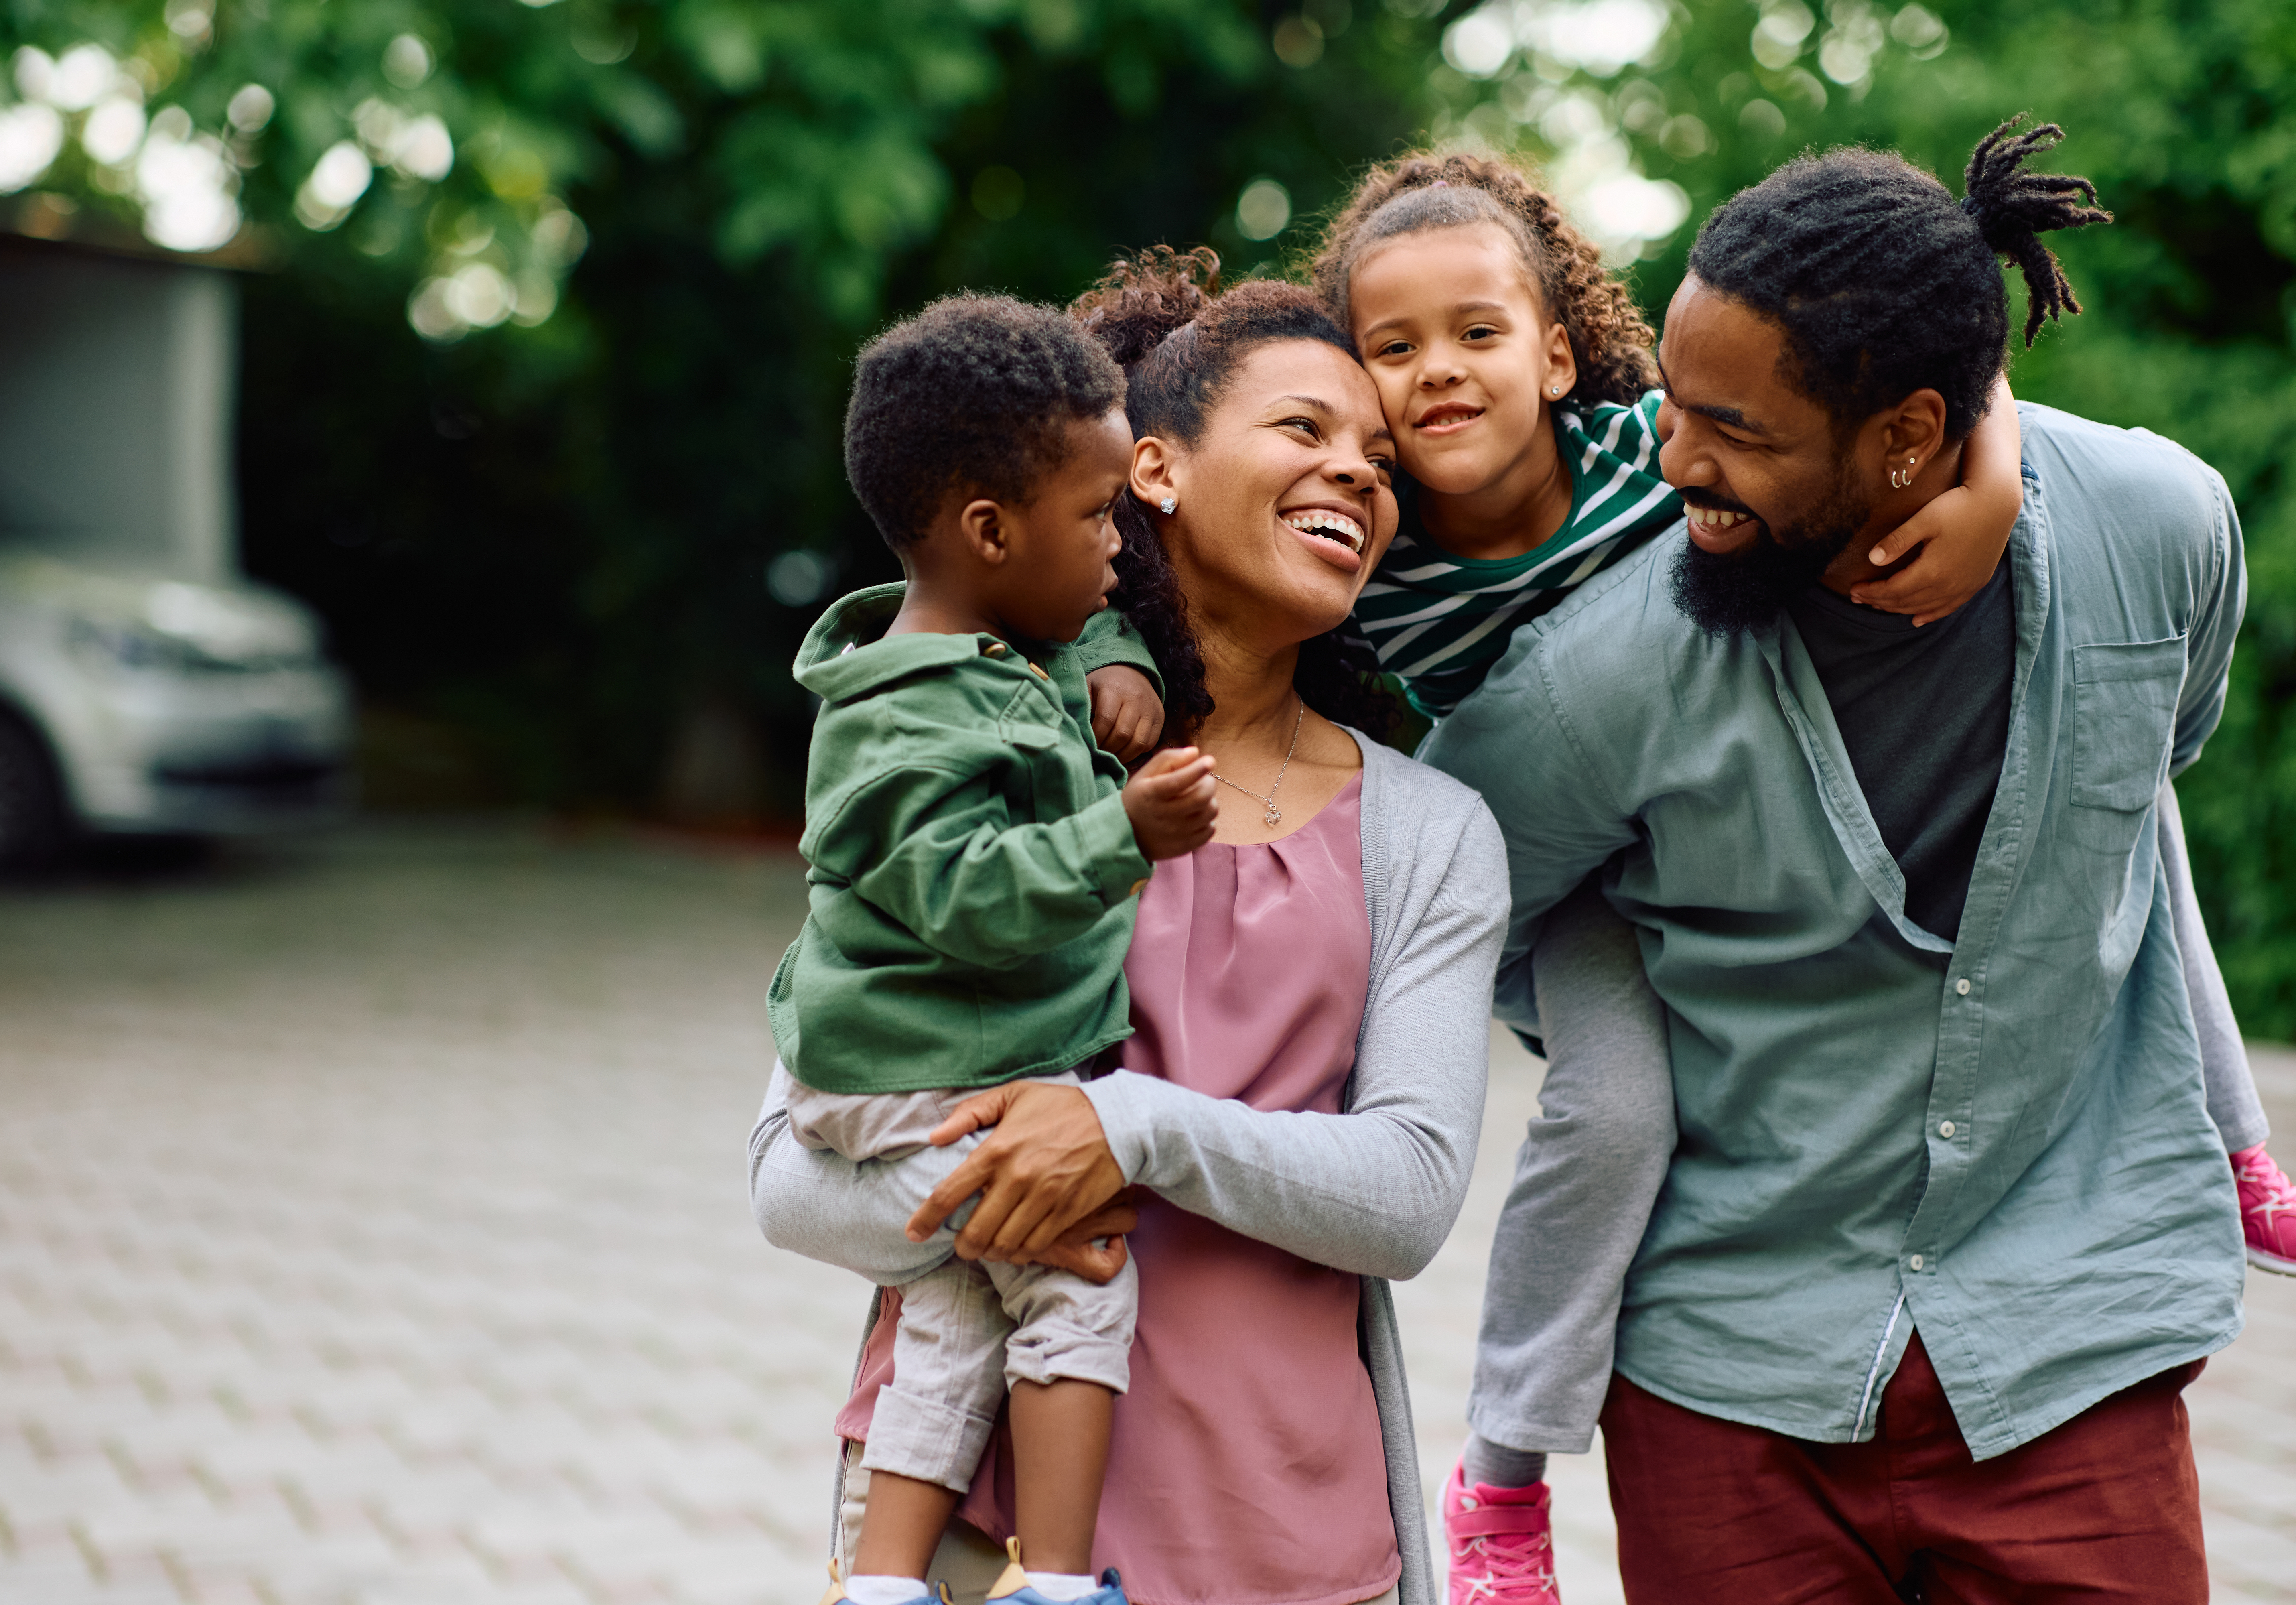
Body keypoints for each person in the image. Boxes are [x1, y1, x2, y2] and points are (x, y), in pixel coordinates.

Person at [1426, 117, 2247, 1599]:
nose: (1676, 458)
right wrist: (1624, 1011)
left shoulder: (2165, 527)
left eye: (1736, 432)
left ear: (1913, 436)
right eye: (1679, 405)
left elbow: (2159, 746)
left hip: (2076, 1341)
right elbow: (1448, 895)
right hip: (1733, 1375)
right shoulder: (1599, 676)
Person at [1297, 148, 2031, 1602]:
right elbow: (1190, 551)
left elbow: (1918, 373)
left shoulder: (1654, 445)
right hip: (1577, 893)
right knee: (1618, 1107)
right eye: (1394, 348)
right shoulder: (1370, 556)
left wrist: (1995, 478)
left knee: (2081, 795)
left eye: (1479, 332)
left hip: (1743, 821)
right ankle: (1502, 1475)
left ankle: (2229, 1141)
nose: (1438, 369)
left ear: (1560, 350)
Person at [752, 251, 1507, 1605]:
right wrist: (997, 1198)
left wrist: (1126, 1130)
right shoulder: (986, 762)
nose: (1360, 473)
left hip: (1291, 1545)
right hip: (983, 1550)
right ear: (1152, 471)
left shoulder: (1431, 833)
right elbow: (788, 1176)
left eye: (1383, 460)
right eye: (1306, 429)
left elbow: (1408, 1193)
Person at [768, 293, 1222, 1605]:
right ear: (987, 530)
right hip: (907, 1076)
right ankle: (1064, 1585)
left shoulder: (994, 641)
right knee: (1073, 1276)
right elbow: (966, 897)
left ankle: (890, 1584)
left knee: (957, 1317)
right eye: (1097, 521)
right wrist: (1120, 833)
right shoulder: (899, 722)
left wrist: (1124, 648)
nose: (1118, 550)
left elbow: (1071, 624)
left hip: (915, 1065)